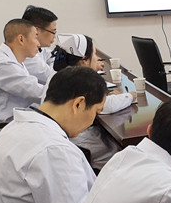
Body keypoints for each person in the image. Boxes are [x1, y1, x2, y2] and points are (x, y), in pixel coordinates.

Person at [0, 66, 107, 203]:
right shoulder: (53, 150)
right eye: (96, 112)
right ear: (79, 104)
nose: (92, 122)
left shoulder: (12, 129)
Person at [47, 33, 135, 169]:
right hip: (78, 141)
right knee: (122, 152)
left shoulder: (61, 74)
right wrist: (130, 96)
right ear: (83, 60)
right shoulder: (78, 78)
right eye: (94, 54)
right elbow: (107, 106)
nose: (97, 58)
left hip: (66, 136)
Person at [0, 18, 45, 124]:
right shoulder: (2, 64)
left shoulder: (9, 59)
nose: (38, 44)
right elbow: (37, 92)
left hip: (15, 119)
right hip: (3, 126)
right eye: (36, 38)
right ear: (21, 39)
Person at [21, 5, 58, 83]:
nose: (54, 36)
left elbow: (54, 59)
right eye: (53, 32)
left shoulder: (41, 49)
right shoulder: (27, 55)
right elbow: (53, 78)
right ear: (36, 30)